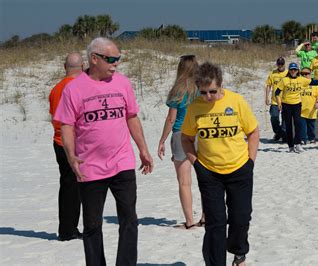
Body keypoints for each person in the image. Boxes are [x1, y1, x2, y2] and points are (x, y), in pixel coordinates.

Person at [54, 37, 154, 265]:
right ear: (94, 59)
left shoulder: (123, 83)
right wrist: (70, 155)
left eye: (118, 58)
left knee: (129, 219)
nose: (116, 63)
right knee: (91, 225)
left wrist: (143, 149)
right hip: (90, 167)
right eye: (111, 59)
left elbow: (131, 116)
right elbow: (66, 125)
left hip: (122, 162)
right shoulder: (74, 89)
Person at [181, 62, 260, 266]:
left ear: (221, 86)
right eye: (204, 92)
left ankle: (239, 253)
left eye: (213, 91)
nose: (208, 97)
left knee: (241, 218)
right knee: (215, 223)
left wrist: (250, 162)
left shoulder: (236, 101)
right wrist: (197, 164)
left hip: (239, 169)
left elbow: (253, 132)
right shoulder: (195, 107)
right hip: (209, 173)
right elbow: (186, 138)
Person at [157, 54, 204, 229]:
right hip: (201, 134)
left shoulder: (177, 90)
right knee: (205, 179)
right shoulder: (202, 89)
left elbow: (171, 119)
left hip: (180, 134)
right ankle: (205, 217)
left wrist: (162, 140)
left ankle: (190, 222)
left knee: (184, 181)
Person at [49, 52, 84, 241]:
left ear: (65, 67)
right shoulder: (78, 87)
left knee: (68, 185)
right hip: (72, 143)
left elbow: (54, 115)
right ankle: (68, 230)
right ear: (83, 66)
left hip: (58, 141)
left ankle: (68, 227)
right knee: (74, 187)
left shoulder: (56, 89)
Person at [276, 62, 318, 153]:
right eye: (291, 70)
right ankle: (291, 146)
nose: (293, 71)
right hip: (286, 104)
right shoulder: (284, 80)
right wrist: (279, 102)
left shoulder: (301, 79)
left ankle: (298, 144)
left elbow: (314, 82)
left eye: (295, 70)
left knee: (298, 124)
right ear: (289, 70)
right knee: (288, 126)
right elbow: (277, 92)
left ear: (297, 71)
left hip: (297, 104)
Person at [265, 57, 287, 142]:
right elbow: (268, 86)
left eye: (282, 64)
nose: (280, 66)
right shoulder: (273, 74)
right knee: (274, 117)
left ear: (284, 64)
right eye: (279, 64)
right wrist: (266, 98)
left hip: (286, 100)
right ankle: (278, 132)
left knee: (285, 118)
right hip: (275, 100)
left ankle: (284, 133)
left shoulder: (288, 73)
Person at [299, 68, 318, 144]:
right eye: (302, 74)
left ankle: (312, 138)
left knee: (311, 126)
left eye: (306, 74)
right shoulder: (299, 83)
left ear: (310, 74)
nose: (304, 75)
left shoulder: (315, 85)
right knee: (302, 126)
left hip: (311, 109)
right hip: (301, 109)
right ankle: (303, 139)